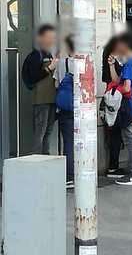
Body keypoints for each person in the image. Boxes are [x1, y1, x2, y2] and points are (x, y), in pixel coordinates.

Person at [109, 32, 132, 186]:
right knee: (131, 138)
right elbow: (117, 81)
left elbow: (126, 87)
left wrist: (115, 93)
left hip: (127, 107)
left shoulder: (129, 64)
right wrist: (112, 65)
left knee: (130, 139)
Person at [22, 24, 58, 155]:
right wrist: (50, 68)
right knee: (40, 131)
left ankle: (45, 157)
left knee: (48, 131)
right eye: (49, 37)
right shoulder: (35, 56)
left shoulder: (49, 53)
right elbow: (33, 76)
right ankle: (36, 158)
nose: (52, 40)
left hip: (52, 99)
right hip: (41, 99)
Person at [102, 36, 125, 179]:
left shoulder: (108, 55)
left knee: (113, 132)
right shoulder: (113, 59)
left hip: (110, 96)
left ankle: (113, 165)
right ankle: (113, 167)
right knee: (115, 132)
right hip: (115, 98)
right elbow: (115, 80)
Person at [54, 34, 75, 189]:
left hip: (64, 108)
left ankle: (68, 175)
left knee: (67, 141)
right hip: (79, 107)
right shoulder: (82, 62)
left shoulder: (61, 63)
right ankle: (76, 173)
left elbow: (56, 84)